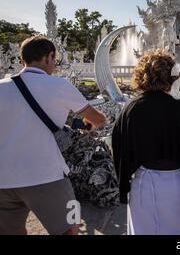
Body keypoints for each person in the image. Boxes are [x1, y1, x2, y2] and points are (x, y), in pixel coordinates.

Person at [0, 36, 106, 235]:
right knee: (71, 225)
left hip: (3, 179)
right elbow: (99, 119)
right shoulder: (59, 85)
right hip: (46, 174)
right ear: (49, 57)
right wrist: (87, 127)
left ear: (22, 60)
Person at [112, 50, 180, 235]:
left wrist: (126, 179)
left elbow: (119, 146)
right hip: (176, 181)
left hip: (144, 180)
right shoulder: (179, 107)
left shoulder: (132, 107)